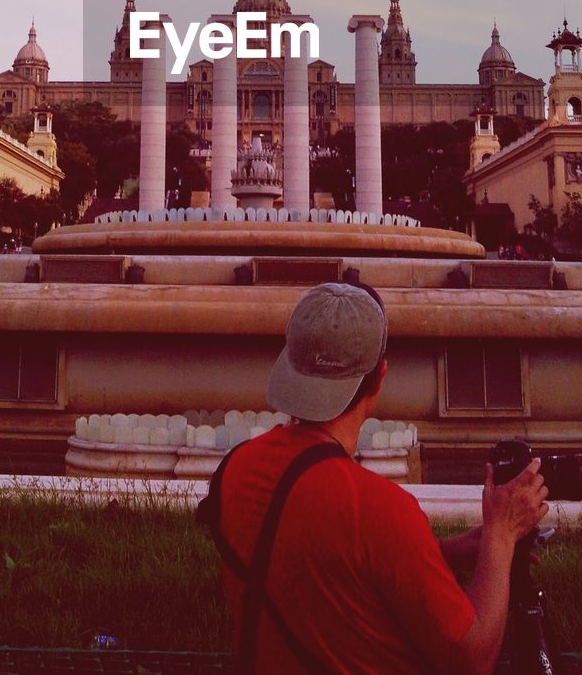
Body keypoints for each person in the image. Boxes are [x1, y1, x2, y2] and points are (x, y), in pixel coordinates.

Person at [203, 282, 547, 675]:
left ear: (291, 366)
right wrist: (501, 536)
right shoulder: (381, 510)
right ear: (380, 376)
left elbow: (323, 560)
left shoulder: (236, 469)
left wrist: (444, 552)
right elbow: (472, 659)